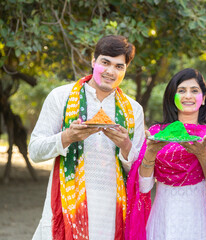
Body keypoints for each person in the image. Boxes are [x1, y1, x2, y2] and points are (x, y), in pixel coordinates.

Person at [29, 35, 145, 240]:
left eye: (119, 66)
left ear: (125, 70)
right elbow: (35, 151)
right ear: (94, 61)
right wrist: (66, 137)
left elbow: (141, 172)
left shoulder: (133, 110)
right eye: (105, 62)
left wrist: (126, 145)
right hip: (66, 208)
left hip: (111, 214)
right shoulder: (62, 97)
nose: (111, 71)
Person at [125, 68, 206, 240]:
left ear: (204, 98)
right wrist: (151, 152)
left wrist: (202, 155)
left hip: (200, 220)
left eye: (194, 91)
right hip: (163, 218)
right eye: (181, 91)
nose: (188, 96)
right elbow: (144, 187)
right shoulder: (157, 134)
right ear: (172, 98)